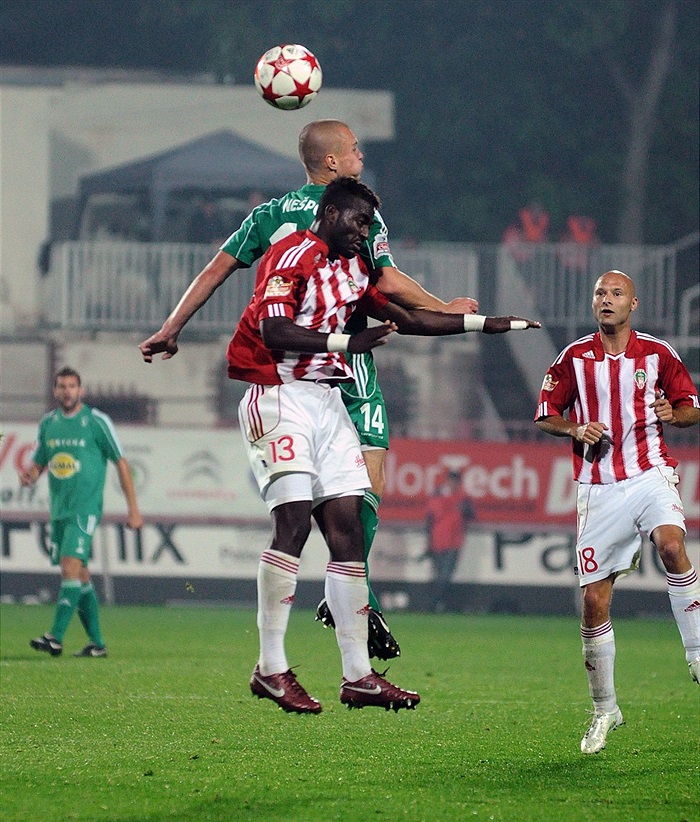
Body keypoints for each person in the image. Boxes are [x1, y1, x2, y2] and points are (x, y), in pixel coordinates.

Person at [138, 119, 478, 661]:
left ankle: (335, 612)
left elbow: (216, 269)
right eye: (354, 148)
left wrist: (172, 326)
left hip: (287, 366)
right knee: (367, 482)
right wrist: (442, 307)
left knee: (312, 502)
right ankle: (343, 602)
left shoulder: (268, 216)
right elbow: (386, 282)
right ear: (332, 163)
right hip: (341, 359)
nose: (361, 154)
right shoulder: (358, 213)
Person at [210, 176, 538, 713]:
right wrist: (348, 341)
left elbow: (405, 317)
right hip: (276, 394)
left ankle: (358, 676)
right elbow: (273, 331)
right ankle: (270, 667)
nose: (366, 232)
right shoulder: (290, 254)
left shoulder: (353, 267)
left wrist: (482, 324)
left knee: (347, 532)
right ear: (332, 213)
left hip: (325, 403)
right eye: (360, 222)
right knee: (292, 522)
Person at [535, 270, 700, 754]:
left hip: (650, 475)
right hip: (599, 488)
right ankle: (605, 709)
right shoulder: (572, 358)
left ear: (633, 304)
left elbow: (692, 406)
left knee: (671, 544)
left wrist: (676, 414)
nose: (606, 300)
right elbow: (546, 415)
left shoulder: (658, 354)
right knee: (594, 603)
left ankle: (695, 651)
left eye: (616, 294)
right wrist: (575, 430)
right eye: (600, 294)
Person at [19, 367, 143, 658]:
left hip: (84, 509)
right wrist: (31, 475)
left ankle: (55, 636)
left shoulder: (96, 421)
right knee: (81, 575)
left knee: (69, 568)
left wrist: (133, 509)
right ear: (55, 391)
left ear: (81, 390)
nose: (67, 391)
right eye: (62, 386)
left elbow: (121, 462)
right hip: (60, 510)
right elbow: (40, 462)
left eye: (72, 386)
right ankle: (97, 645)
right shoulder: (48, 423)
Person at [425, 469, 476, 612]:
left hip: (454, 541)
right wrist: (428, 541)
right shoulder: (437, 496)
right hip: (438, 541)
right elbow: (429, 519)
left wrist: (464, 509)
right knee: (440, 574)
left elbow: (471, 515)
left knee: (446, 574)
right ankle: (436, 603)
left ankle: (435, 603)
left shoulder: (463, 498)